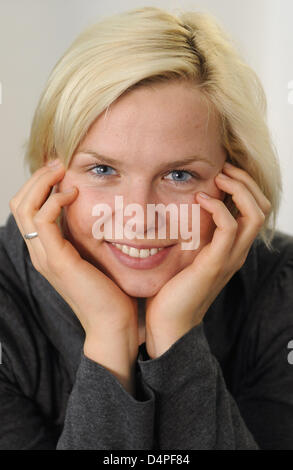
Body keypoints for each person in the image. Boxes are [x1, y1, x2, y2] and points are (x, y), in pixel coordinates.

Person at [0, 5, 292, 450]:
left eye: (179, 175)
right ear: (50, 169)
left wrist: (177, 337)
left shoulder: (282, 290)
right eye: (102, 170)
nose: (137, 213)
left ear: (236, 179)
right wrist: (108, 335)